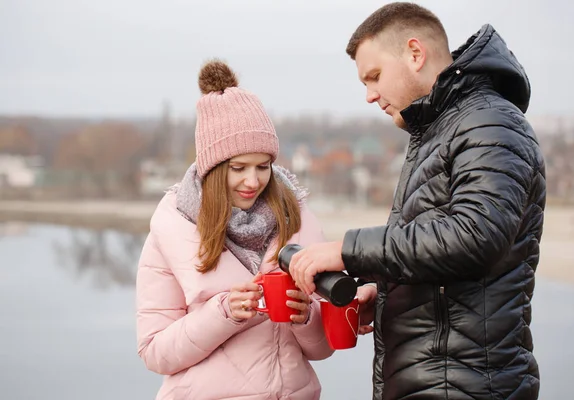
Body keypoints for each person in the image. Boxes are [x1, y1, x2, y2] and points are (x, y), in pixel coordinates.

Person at [287, 3, 545, 400]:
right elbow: (439, 251)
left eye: (374, 77)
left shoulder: (490, 122)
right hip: (440, 379)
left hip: (465, 384)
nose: (370, 96)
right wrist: (390, 291)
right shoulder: (440, 130)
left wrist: (346, 251)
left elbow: (476, 235)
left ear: (415, 53)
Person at [136, 60, 334, 400]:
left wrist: (306, 318)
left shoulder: (298, 220)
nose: (252, 181)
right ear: (211, 169)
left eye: (263, 166)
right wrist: (223, 312)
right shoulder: (173, 229)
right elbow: (155, 352)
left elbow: (323, 349)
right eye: (238, 168)